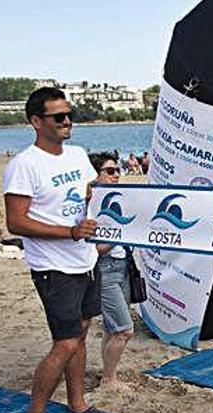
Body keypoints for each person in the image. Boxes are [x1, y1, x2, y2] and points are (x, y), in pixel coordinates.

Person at [3, 88, 115, 413]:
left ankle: (78, 404)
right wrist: (68, 232)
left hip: (85, 260)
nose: (68, 122)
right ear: (36, 122)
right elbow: (16, 222)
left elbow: (86, 194)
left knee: (80, 336)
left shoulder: (79, 155)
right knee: (65, 342)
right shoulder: (24, 164)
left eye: (70, 115)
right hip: (54, 268)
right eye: (58, 117)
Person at [90, 152, 135, 391]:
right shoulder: (89, 204)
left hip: (122, 266)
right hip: (104, 269)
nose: (116, 175)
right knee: (124, 330)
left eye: (117, 170)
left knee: (111, 327)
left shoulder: (116, 199)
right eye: (110, 171)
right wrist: (119, 235)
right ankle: (108, 381)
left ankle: (109, 374)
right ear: (95, 175)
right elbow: (92, 249)